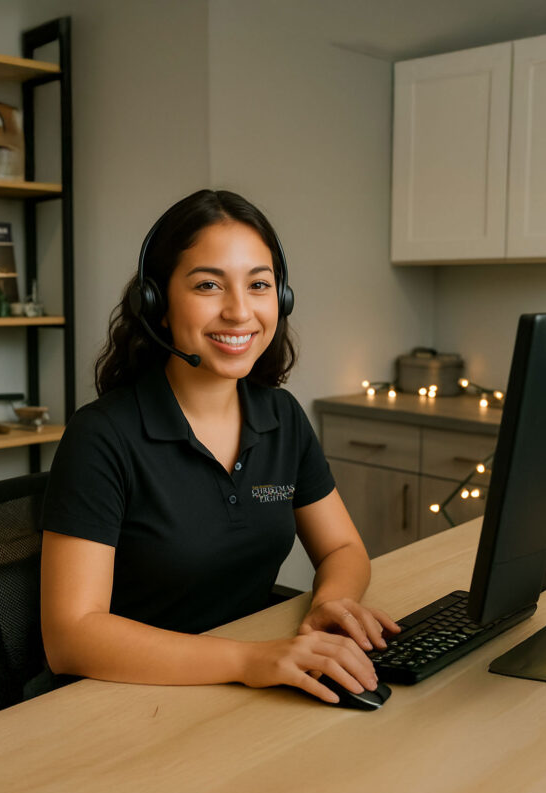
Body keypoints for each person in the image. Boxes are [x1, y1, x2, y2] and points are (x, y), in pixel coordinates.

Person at [39, 189, 399, 704]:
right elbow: (71, 636)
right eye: (209, 285)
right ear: (157, 304)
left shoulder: (281, 418)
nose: (239, 311)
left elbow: (344, 548)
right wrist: (250, 661)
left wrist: (332, 603)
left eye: (259, 285)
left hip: (241, 690)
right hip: (125, 700)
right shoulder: (102, 436)